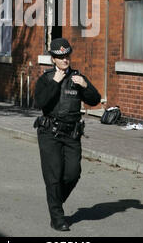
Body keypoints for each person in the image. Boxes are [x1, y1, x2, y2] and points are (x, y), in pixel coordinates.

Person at [34, 37, 101, 231]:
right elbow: (41, 103)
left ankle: (55, 201)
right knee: (53, 175)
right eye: (60, 57)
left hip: (72, 134)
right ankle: (57, 217)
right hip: (50, 133)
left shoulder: (77, 78)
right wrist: (55, 82)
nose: (65, 60)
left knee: (73, 173)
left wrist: (85, 86)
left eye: (67, 56)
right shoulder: (46, 79)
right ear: (53, 59)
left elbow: (95, 100)